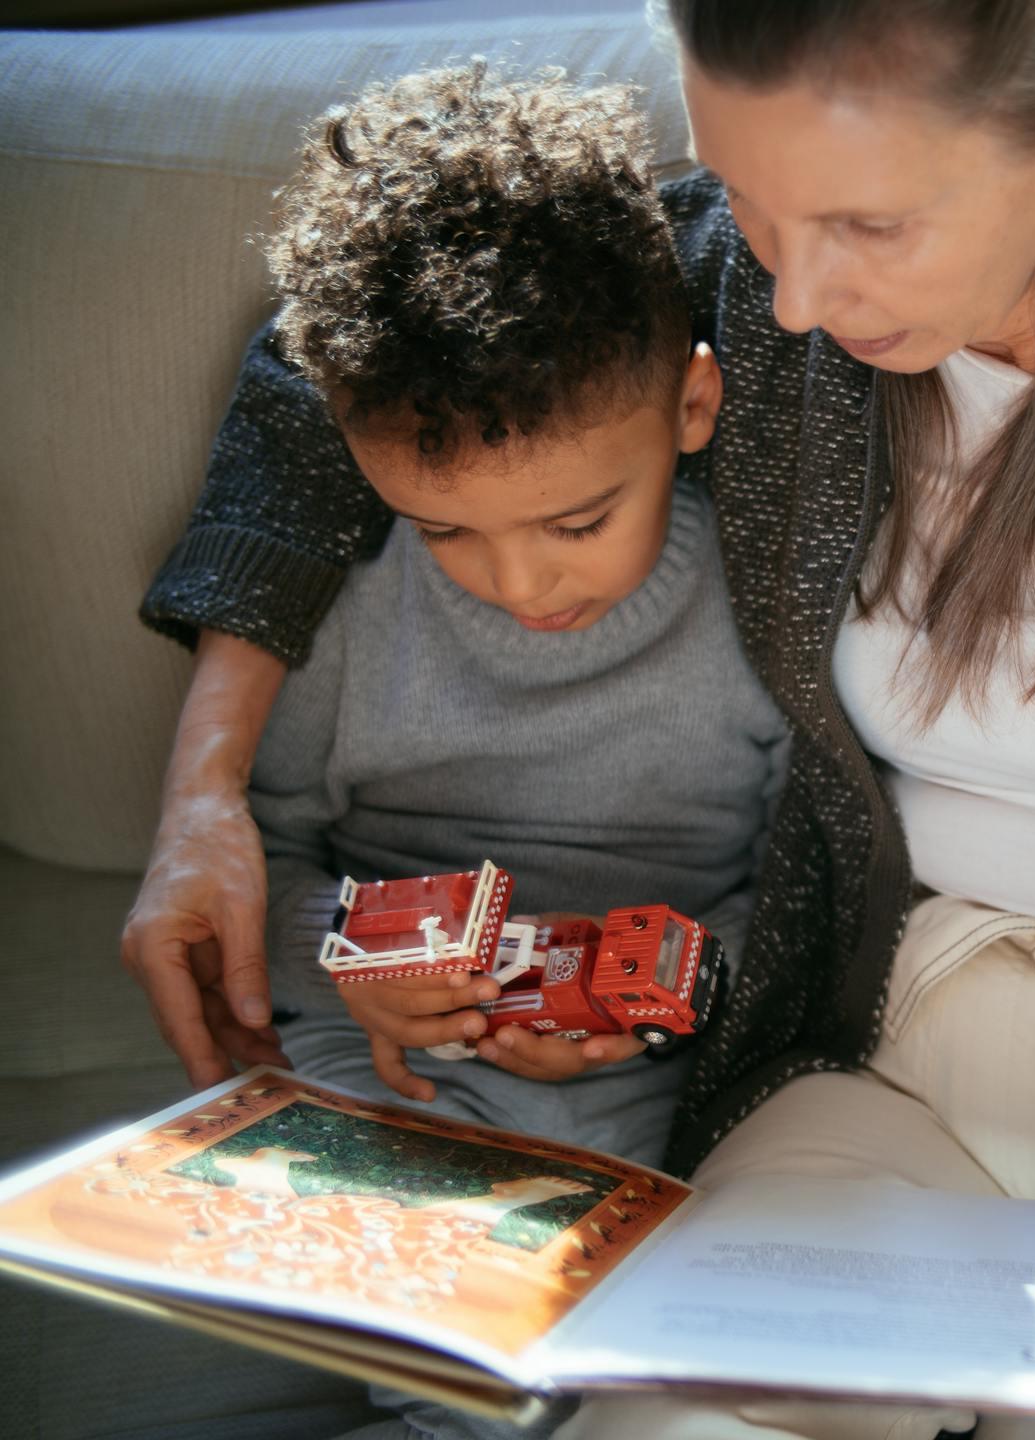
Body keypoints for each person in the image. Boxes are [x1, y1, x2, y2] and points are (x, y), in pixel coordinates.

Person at [124, 2, 1035, 1436]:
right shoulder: (761, 297)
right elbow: (328, 355)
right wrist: (206, 798)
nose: (786, 298)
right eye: (751, 205)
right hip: (865, 1056)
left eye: (868, 227)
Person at [174, 61, 786, 1439]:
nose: (517, 583)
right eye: (447, 530)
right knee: (447, 1312)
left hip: (659, 1043)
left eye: (577, 524)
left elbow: (812, 877)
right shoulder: (346, 618)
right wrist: (351, 954)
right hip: (387, 1045)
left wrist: (682, 986)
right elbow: (261, 862)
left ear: (692, 409)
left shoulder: (764, 613)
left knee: (649, 1325)